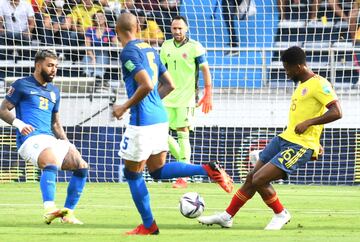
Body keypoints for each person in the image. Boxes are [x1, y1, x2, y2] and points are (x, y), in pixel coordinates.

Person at [197, 46, 342, 230]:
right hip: (284, 138)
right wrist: (315, 134)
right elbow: (309, 113)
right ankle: (226, 216)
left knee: (259, 179)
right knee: (251, 178)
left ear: (298, 67)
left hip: (300, 145)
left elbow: (337, 112)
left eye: (287, 68)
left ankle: (281, 213)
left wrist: (309, 126)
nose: (286, 72)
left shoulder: (320, 84)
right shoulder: (302, 85)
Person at [113, 12, 233, 235]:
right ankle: (206, 169)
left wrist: (124, 106)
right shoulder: (150, 48)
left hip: (142, 122)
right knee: (157, 170)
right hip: (160, 117)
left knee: (133, 175)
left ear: (117, 30)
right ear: (138, 27)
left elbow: (147, 85)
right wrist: (153, 104)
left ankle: (148, 225)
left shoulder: (128, 51)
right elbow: (169, 85)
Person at [0, 49, 89, 225]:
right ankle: (49, 209)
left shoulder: (54, 91)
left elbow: (55, 123)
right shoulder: (21, 84)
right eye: (50, 66)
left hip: (49, 138)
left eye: (55, 66)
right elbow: (2, 110)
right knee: (50, 161)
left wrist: (67, 143)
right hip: (29, 140)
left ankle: (68, 213)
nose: (53, 70)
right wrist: (20, 124)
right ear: (38, 65)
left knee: (82, 166)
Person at [160, 15, 213, 188]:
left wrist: (208, 93)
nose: (177, 31)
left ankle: (183, 177)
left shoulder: (195, 47)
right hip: (167, 97)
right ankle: (185, 165)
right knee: (160, 132)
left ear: (186, 29)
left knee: (183, 132)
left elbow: (205, 69)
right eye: (174, 28)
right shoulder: (165, 46)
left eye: (180, 28)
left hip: (187, 98)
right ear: (171, 29)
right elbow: (162, 72)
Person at [82, 10, 118, 91]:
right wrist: (93, 57)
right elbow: (87, 45)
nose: (99, 18)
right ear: (94, 20)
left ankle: (98, 81)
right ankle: (87, 82)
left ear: (105, 18)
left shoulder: (109, 31)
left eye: (101, 16)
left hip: (103, 52)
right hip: (90, 52)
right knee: (88, 61)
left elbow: (116, 43)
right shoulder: (90, 29)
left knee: (102, 57)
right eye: (97, 17)